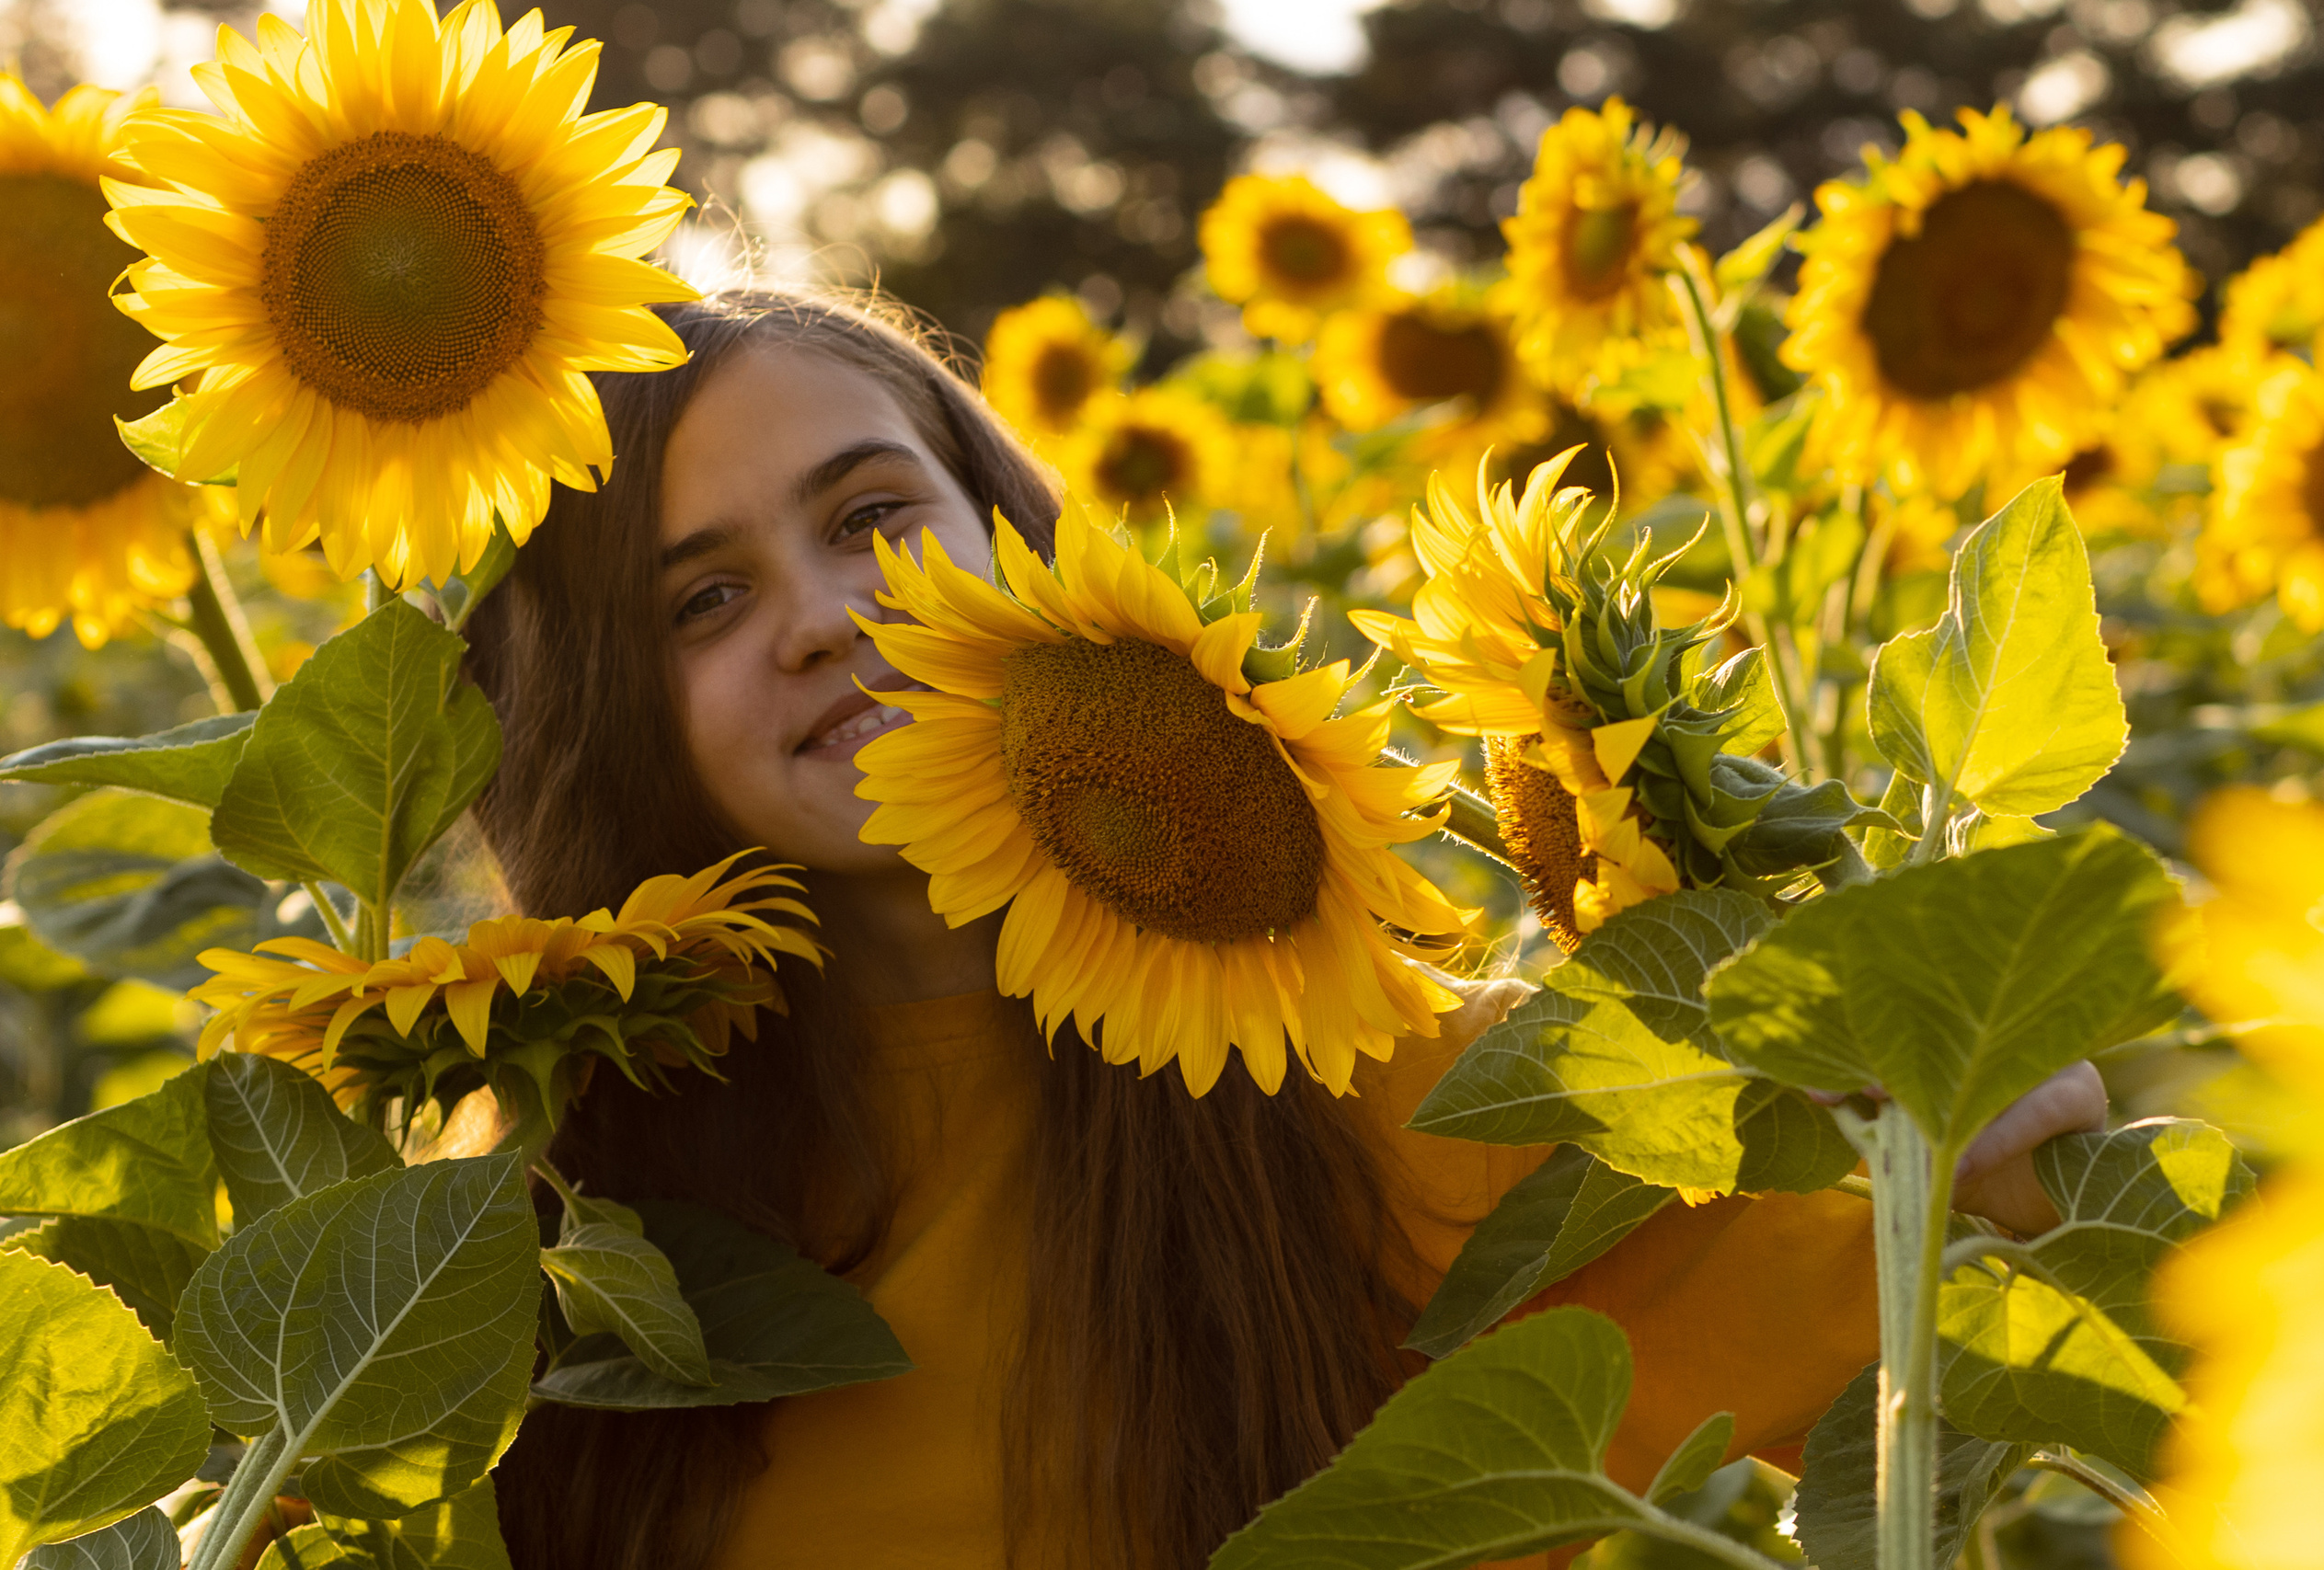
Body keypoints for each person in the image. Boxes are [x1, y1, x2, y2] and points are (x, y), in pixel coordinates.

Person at [466, 289, 2106, 1570]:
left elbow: (1964, 1296)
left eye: (869, 517)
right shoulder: (549, 1213)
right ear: (606, 706)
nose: (826, 619)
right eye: (704, 600)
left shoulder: (1370, 1076)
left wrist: (1984, 1114)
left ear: (1011, 537)